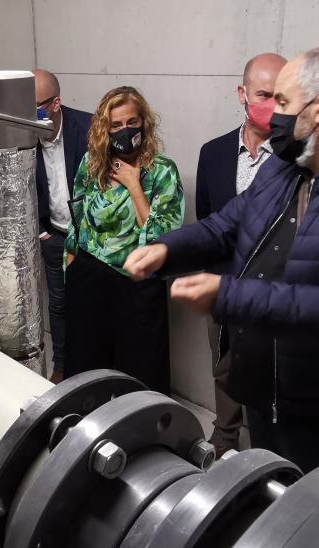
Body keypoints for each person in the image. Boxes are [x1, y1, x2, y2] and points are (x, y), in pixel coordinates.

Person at [124, 47, 319, 473]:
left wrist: (229, 296)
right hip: (263, 379)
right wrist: (168, 249)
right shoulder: (283, 168)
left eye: (283, 102)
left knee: (312, 507)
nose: (272, 113)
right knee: (268, 484)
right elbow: (226, 226)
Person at [194, 53, 287, 455]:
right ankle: (225, 437)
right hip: (224, 286)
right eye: (263, 94)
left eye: (280, 96)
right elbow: (206, 219)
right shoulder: (212, 153)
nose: (271, 104)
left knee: (276, 375)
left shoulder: (299, 158)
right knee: (224, 366)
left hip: (277, 293)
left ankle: (272, 450)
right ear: (242, 94)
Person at [65, 86, 184, 393]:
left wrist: (133, 184)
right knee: (86, 366)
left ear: (144, 123)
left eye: (131, 122)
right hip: (89, 278)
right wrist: (71, 264)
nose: (124, 130)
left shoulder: (162, 171)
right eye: (116, 125)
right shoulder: (92, 164)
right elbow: (77, 217)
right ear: (105, 129)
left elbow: (161, 237)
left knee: (141, 371)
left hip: (137, 283)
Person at [32, 69, 92, 383]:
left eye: (38, 106)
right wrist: (42, 232)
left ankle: (95, 370)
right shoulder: (23, 134)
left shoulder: (89, 128)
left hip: (91, 240)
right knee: (59, 306)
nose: (31, 115)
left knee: (92, 305)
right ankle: (63, 368)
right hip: (54, 236)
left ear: (56, 104)